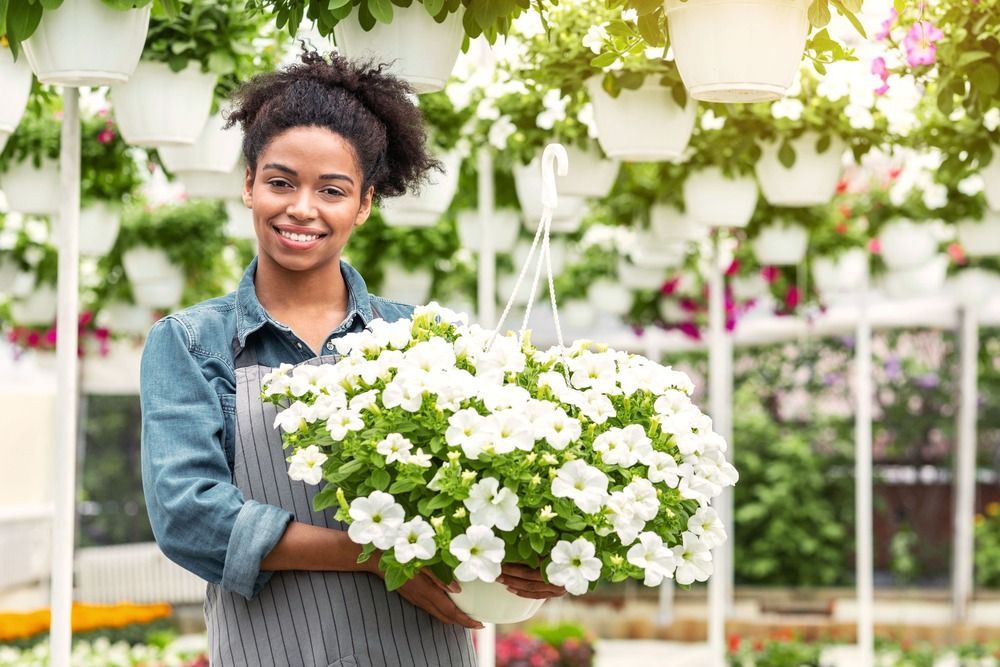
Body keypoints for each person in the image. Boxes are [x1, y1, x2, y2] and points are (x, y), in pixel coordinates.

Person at [140, 51, 565, 667]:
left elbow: (496, 488)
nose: (303, 209)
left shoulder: (423, 337)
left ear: (364, 203)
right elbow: (189, 514)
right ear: (249, 185)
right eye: (280, 182)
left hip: (419, 649)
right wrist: (379, 557)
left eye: (332, 190)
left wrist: (543, 558)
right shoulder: (191, 342)